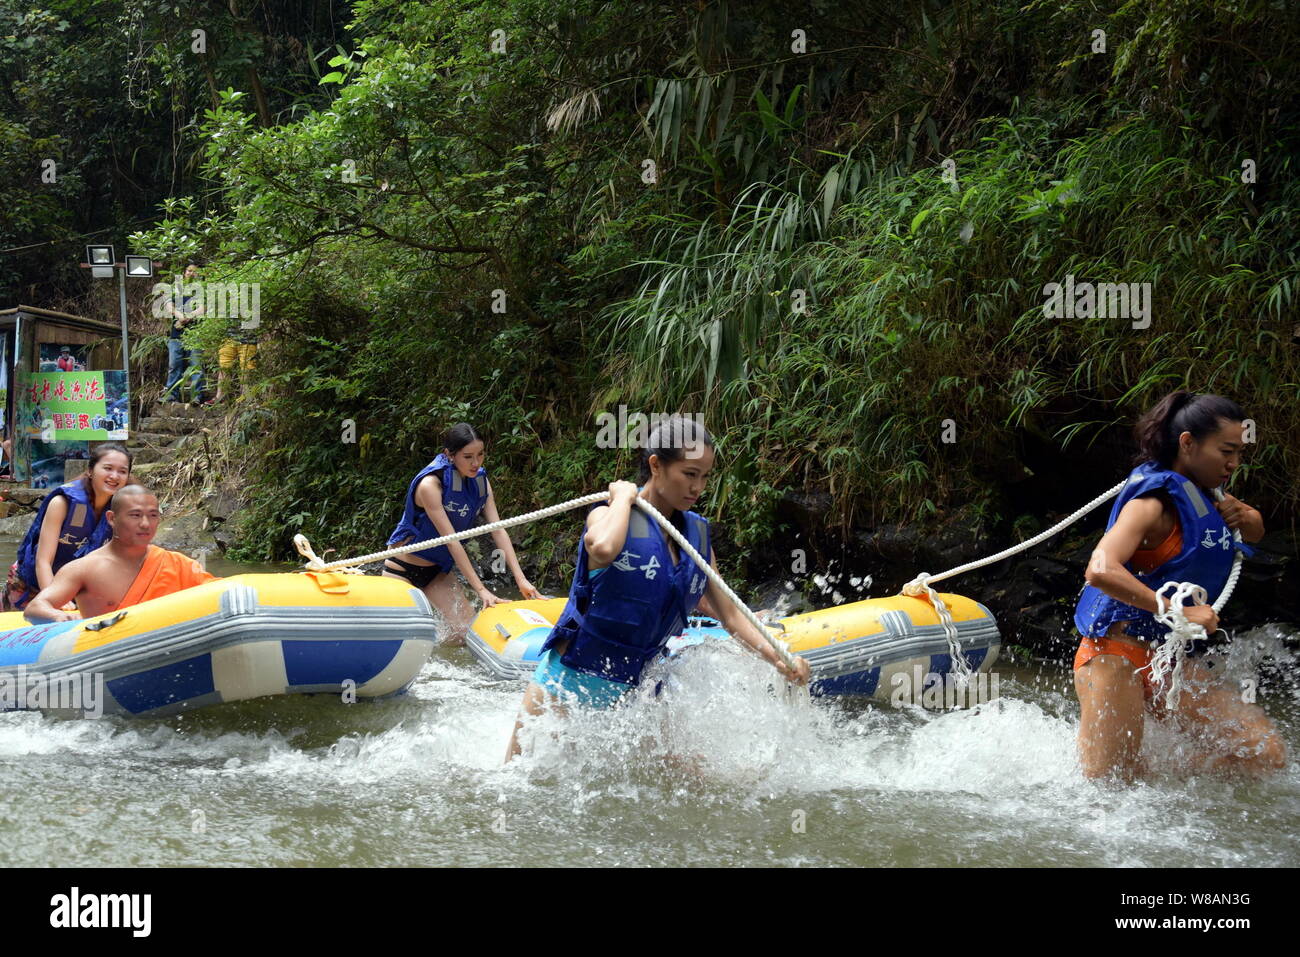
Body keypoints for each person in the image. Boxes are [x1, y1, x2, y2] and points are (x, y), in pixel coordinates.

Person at [505, 416, 811, 761]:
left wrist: (780, 659)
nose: (698, 487)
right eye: (689, 474)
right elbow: (603, 548)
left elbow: (730, 616)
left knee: (690, 786)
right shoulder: (608, 515)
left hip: (636, 696)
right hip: (567, 684)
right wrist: (623, 498)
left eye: (705, 477)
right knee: (520, 786)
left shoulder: (696, 538)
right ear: (656, 465)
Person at [1073, 391, 1285, 780]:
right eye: (1226, 451)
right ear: (1188, 443)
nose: (1235, 463)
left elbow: (1250, 533)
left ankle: (1164, 790)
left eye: (1239, 452)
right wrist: (1177, 610)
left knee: (1264, 755)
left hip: (1167, 660)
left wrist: (1250, 517)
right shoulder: (1152, 503)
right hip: (1114, 656)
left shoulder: (1206, 495)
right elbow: (1100, 569)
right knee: (1109, 789)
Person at [383, 423, 540, 643]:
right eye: (468, 457)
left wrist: (521, 579)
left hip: (437, 572)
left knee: (463, 636)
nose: (476, 463)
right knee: (402, 640)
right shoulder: (430, 485)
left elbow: (498, 530)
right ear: (449, 455)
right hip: (402, 568)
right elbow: (452, 542)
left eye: (480, 454)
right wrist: (481, 590)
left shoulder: (481, 482)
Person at [24, 484, 217, 622]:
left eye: (153, 515)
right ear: (112, 518)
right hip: (107, 657)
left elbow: (217, 592)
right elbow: (35, 608)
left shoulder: (176, 563)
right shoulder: (84, 568)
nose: (145, 524)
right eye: (135, 515)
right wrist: (60, 616)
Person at [5, 443, 132, 610]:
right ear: (90, 471)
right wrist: (54, 600)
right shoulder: (62, 503)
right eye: (108, 468)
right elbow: (43, 561)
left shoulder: (120, 509)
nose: (114, 476)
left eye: (122, 471)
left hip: (73, 590)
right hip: (31, 584)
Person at [161, 263, 209, 405]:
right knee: (174, 365)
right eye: (189, 270)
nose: (191, 273)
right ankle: (171, 395)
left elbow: (203, 308)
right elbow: (169, 306)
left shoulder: (201, 290)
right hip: (176, 335)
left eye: (194, 272)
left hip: (195, 334)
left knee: (196, 366)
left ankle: (197, 396)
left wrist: (188, 317)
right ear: (184, 272)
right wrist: (179, 316)